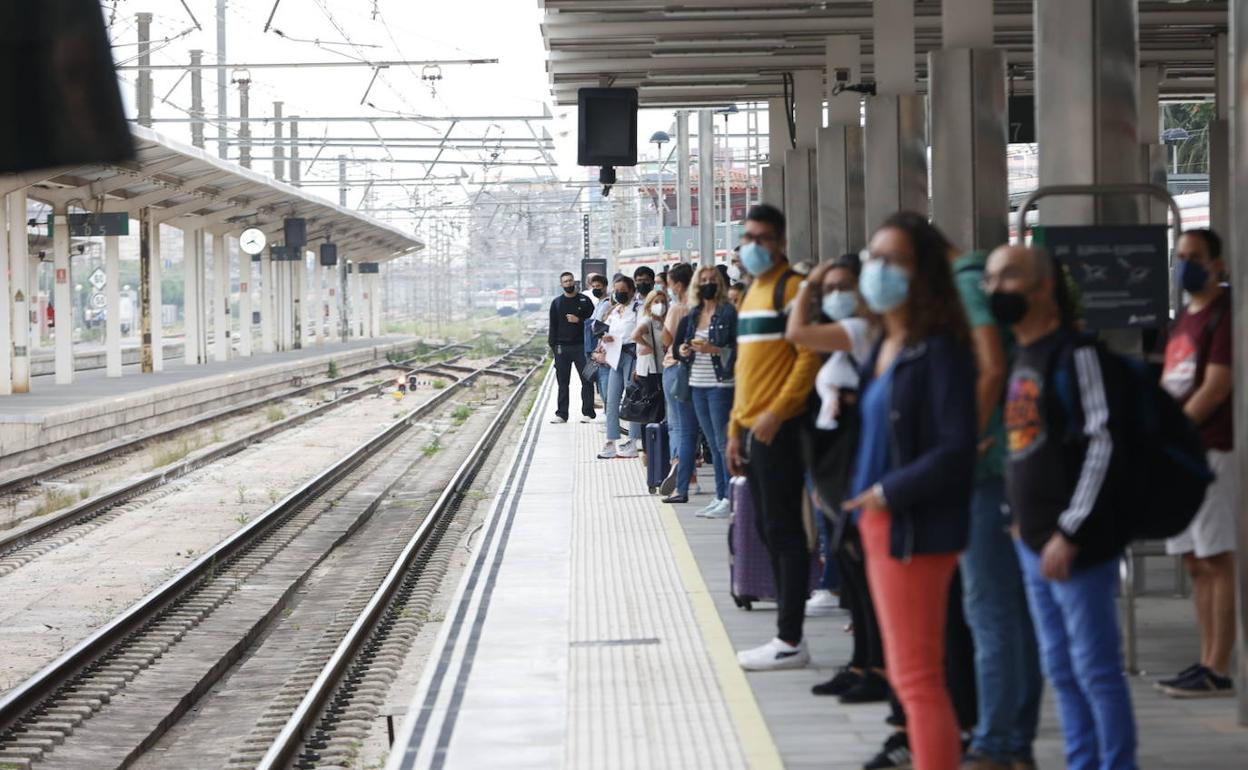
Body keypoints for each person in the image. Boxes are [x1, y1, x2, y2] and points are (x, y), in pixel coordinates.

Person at [986, 244, 1137, 770]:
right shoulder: (1021, 356)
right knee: (1061, 668)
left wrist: (1069, 530)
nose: (994, 289)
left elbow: (1105, 442)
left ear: (1043, 287)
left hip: (1077, 544)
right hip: (1033, 540)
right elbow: (1025, 447)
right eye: (990, 279)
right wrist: (1018, 520)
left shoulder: (1078, 355)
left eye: (1008, 277)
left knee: (1096, 669)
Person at [841, 212, 977, 770]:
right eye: (874, 257)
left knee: (918, 679)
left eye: (892, 259)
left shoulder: (940, 348)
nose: (877, 269)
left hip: (911, 525)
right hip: (880, 524)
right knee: (907, 672)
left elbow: (956, 447)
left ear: (922, 273)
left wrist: (886, 493)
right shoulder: (886, 344)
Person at [949, 247, 1043, 769]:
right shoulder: (1033, 350)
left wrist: (963, 441)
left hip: (990, 481)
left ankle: (998, 743)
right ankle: (1012, 741)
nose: (992, 286)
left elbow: (988, 365)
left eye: (1007, 276)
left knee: (991, 613)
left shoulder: (959, 287)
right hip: (1008, 481)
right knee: (1011, 615)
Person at [785, 253, 890, 705]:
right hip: (835, 465)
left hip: (853, 465)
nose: (835, 295)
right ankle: (862, 662)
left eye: (843, 286)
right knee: (854, 577)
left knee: (865, 577)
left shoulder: (861, 330)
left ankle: (876, 667)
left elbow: (795, 331)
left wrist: (808, 283)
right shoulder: (849, 338)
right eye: (830, 289)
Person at [725, 204, 822, 670]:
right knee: (767, 527)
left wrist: (777, 413)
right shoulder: (751, 293)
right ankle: (788, 636)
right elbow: (746, 371)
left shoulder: (792, 288)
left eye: (762, 238)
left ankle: (790, 638)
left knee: (783, 530)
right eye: (748, 237)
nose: (753, 246)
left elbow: (808, 357)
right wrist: (733, 431)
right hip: (750, 429)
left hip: (778, 430)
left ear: (781, 242)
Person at [1156, 228, 1236, 698]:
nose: (1186, 264)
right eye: (1180, 255)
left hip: (1210, 449)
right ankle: (1204, 658)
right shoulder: (1183, 319)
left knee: (1215, 558)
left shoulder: (1223, 317)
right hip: (1181, 453)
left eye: (1196, 257)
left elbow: (1216, 386)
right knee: (1194, 562)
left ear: (1217, 265)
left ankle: (1217, 665)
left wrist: (1175, 432)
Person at [672, 266, 738, 513]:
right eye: (704, 281)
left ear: (719, 284)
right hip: (696, 383)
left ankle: (730, 497)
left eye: (712, 280)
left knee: (723, 442)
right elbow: (681, 344)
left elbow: (737, 347)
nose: (708, 284)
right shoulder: (695, 313)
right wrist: (684, 350)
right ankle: (721, 496)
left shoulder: (728, 313)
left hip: (720, 384)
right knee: (712, 441)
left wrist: (715, 350)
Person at [659, 263, 698, 497]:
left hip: (674, 366)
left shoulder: (676, 308)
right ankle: (691, 475)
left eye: (671, 284)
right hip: (693, 368)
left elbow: (666, 339)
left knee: (676, 423)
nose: (669, 288)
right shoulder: (700, 307)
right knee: (691, 425)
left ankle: (677, 463)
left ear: (679, 285)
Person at [599, 275, 643, 459]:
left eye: (623, 291)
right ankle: (611, 440)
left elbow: (640, 333)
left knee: (631, 398)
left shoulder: (639, 309)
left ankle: (633, 440)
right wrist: (604, 337)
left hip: (632, 354)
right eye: (616, 291)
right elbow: (604, 329)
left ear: (632, 291)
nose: (619, 294)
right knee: (611, 399)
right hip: (615, 355)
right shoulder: (616, 310)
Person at [548, 271, 597, 424]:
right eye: (565, 282)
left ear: (574, 282)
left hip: (581, 346)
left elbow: (593, 322)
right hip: (562, 347)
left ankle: (588, 412)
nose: (568, 284)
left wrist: (579, 320)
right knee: (563, 382)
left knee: (587, 379)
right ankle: (562, 414)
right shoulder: (556, 303)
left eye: (570, 281)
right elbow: (553, 326)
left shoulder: (584, 300)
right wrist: (553, 347)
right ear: (561, 284)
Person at [585, 273, 612, 406]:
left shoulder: (606, 304)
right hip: (595, 348)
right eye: (594, 286)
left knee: (604, 380)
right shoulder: (599, 304)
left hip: (601, 348)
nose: (596, 289)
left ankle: (609, 413)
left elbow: (599, 325)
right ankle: (607, 412)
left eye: (599, 286)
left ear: (605, 287)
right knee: (599, 381)